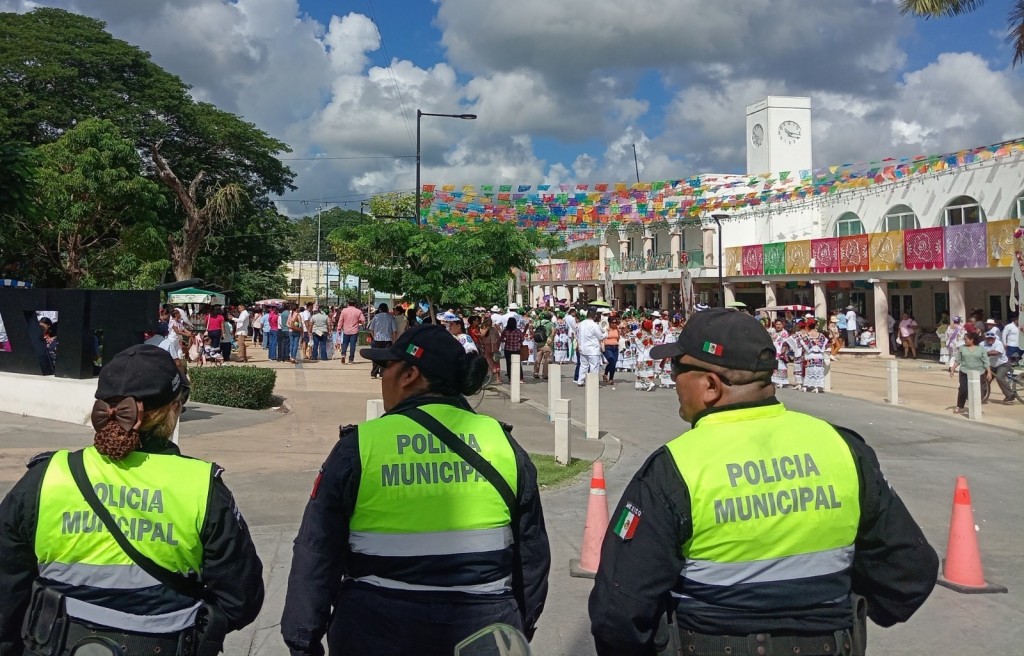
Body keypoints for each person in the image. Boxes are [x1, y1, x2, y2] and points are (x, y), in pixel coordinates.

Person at [589, 308, 938, 656]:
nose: (672, 377)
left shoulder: (674, 468)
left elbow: (618, 610)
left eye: (678, 368)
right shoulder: (843, 448)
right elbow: (909, 573)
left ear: (710, 385)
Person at [280, 325, 550, 656]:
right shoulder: (503, 444)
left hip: (376, 629)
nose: (380, 378)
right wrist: (515, 628)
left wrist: (302, 640)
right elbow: (533, 555)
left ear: (409, 374)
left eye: (383, 368)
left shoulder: (362, 447)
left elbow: (317, 550)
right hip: (484, 626)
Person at [0, 345, 264, 656]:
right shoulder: (201, 487)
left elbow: (7, 589)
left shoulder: (46, 478)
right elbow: (241, 599)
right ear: (173, 409)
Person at [949, 330, 992, 414]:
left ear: (972, 340)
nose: (964, 341)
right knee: (963, 389)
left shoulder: (981, 349)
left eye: (966, 339)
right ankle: (959, 406)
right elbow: (958, 360)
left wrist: (989, 372)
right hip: (964, 372)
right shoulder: (962, 348)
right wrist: (953, 369)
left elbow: (986, 361)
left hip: (978, 373)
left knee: (977, 391)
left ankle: (976, 408)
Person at [575, 309, 606, 386]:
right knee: (594, 366)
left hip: (583, 347)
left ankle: (580, 381)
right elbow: (600, 337)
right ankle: (593, 382)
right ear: (594, 315)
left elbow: (577, 335)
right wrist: (606, 333)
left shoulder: (581, 324)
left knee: (583, 365)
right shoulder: (594, 325)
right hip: (592, 349)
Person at [983, 328, 1015, 404]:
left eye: (991, 338)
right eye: (988, 338)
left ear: (994, 338)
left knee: (999, 377)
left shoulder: (998, 343)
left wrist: (984, 353)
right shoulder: (983, 344)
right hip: (992, 365)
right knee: (984, 379)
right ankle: (981, 396)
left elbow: (996, 352)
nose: (990, 340)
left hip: (1003, 364)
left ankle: (1010, 395)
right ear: (986, 338)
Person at [367, 303, 398, 379]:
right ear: (387, 309)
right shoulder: (391, 318)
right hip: (387, 340)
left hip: (377, 339)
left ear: (380, 309)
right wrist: (394, 340)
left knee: (375, 356)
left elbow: (371, 329)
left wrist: (374, 336)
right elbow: (394, 331)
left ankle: (374, 373)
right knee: (385, 357)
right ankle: (382, 373)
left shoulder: (376, 317)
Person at [499, 316, 525, 383]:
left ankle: (510, 379)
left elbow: (501, 338)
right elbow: (522, 339)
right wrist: (518, 342)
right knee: (518, 363)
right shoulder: (518, 331)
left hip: (507, 349)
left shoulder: (505, 331)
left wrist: (506, 341)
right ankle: (521, 378)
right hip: (516, 349)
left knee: (509, 364)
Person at [339, 299, 366, 364]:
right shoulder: (358, 311)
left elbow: (341, 320)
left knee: (345, 343)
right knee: (353, 345)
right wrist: (359, 321)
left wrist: (339, 328)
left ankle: (343, 354)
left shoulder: (344, 311)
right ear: (355, 304)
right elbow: (363, 320)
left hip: (346, 330)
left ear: (348, 304)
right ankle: (351, 359)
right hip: (354, 330)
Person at [603, 316, 621, 387]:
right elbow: (602, 337)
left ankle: (611, 379)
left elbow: (618, 338)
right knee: (611, 360)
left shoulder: (617, 329)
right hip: (608, 346)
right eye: (613, 323)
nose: (614, 324)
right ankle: (606, 373)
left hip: (615, 347)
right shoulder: (606, 329)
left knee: (614, 363)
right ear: (609, 323)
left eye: (615, 323)